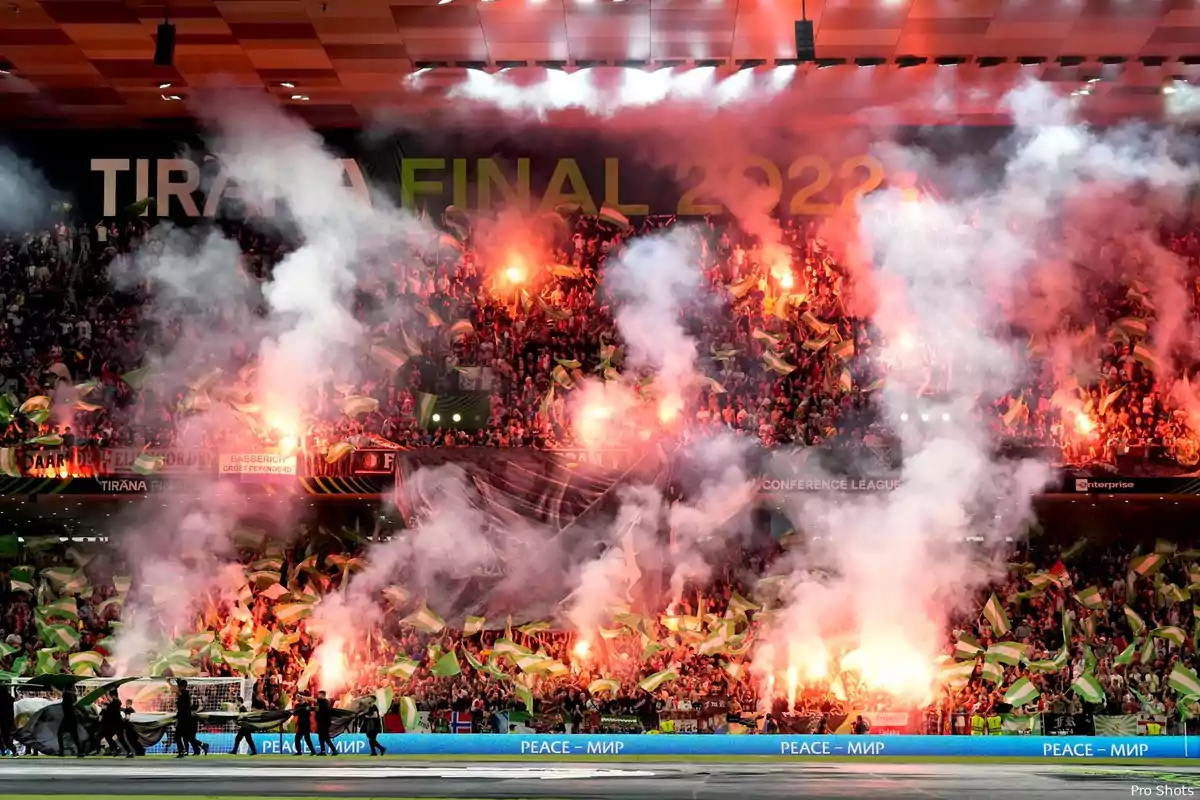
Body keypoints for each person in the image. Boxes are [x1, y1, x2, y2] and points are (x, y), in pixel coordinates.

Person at [173, 679, 207, 758]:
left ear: (181, 687)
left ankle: (182, 751)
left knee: (179, 736)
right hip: (186, 717)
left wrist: (168, 682)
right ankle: (203, 745)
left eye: (179, 686)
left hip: (184, 718)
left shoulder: (184, 693)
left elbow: (175, 690)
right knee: (187, 737)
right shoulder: (185, 693)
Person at [99, 692, 131, 757]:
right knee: (107, 736)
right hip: (113, 724)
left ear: (113, 696)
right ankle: (116, 748)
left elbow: (114, 701)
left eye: (109, 697)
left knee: (121, 738)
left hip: (118, 724)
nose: (108, 698)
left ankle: (129, 751)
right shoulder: (110, 705)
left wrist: (107, 693)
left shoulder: (117, 702)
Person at [57, 685, 84, 757]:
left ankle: (61, 752)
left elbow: (60, 692)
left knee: (60, 734)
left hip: (67, 718)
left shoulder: (67, 696)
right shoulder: (74, 696)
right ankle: (80, 752)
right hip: (73, 717)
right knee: (75, 735)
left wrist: (52, 687)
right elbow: (75, 692)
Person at [315, 690, 336, 755]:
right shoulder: (321, 702)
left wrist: (303, 696)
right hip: (321, 722)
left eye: (319, 694)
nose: (318, 696)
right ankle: (323, 751)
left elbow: (314, 700)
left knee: (325, 737)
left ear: (323, 695)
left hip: (324, 722)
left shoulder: (325, 701)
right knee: (321, 737)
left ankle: (334, 750)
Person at [0, 684, 15, 757]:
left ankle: (5, 750)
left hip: (5, 719)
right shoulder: (10, 698)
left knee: (5, 737)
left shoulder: (8, 698)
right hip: (7, 719)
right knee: (5, 737)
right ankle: (10, 749)